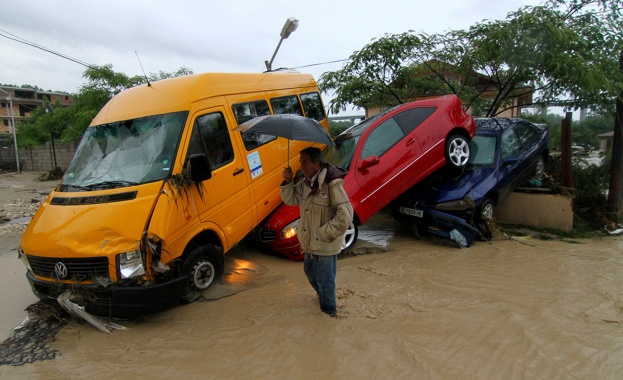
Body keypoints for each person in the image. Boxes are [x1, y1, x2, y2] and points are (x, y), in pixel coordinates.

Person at [281, 147, 354, 317]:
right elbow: (290, 199)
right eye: (301, 161)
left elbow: (346, 215)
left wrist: (324, 233)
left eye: (305, 161)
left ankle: (329, 315)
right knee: (309, 272)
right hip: (310, 242)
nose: (302, 165)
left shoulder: (331, 184)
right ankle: (324, 297)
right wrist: (288, 181)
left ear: (317, 162)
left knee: (325, 279)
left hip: (325, 242)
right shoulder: (305, 183)